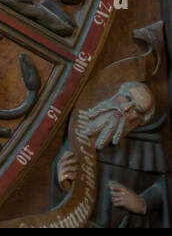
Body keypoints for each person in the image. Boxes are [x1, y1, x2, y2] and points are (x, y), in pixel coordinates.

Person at [53, 82, 168, 227]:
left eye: (137, 110)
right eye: (127, 98)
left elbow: (164, 188)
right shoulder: (80, 128)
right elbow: (63, 188)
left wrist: (142, 203)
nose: (126, 108)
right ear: (117, 94)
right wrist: (62, 182)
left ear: (141, 121)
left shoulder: (149, 145)